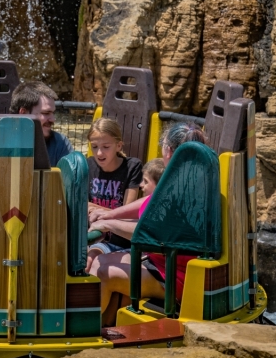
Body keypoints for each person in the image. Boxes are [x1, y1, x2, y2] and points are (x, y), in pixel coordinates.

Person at [87, 123, 205, 325]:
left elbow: (153, 234)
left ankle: (86, 330)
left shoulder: (182, 190)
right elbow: (149, 201)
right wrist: (111, 214)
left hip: (172, 276)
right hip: (160, 262)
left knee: (102, 272)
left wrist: (109, 224)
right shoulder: (184, 176)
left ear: (168, 150)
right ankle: (106, 327)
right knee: (102, 260)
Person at [0, 81, 72, 168]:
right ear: (23, 113)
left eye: (53, 113)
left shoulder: (60, 143)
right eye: (46, 113)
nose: (53, 119)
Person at [86, 158, 164, 273]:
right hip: (137, 251)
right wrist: (107, 215)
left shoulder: (161, 206)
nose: (141, 185)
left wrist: (108, 223)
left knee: (101, 269)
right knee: (91, 262)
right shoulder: (149, 201)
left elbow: (144, 232)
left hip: (152, 259)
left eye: (146, 181)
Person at [86, 117, 142, 229]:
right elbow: (81, 206)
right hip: (93, 232)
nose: (99, 153)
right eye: (94, 147)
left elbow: (127, 215)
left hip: (118, 237)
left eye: (106, 147)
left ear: (119, 146)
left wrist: (94, 208)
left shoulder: (132, 167)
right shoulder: (87, 165)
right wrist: (113, 213)